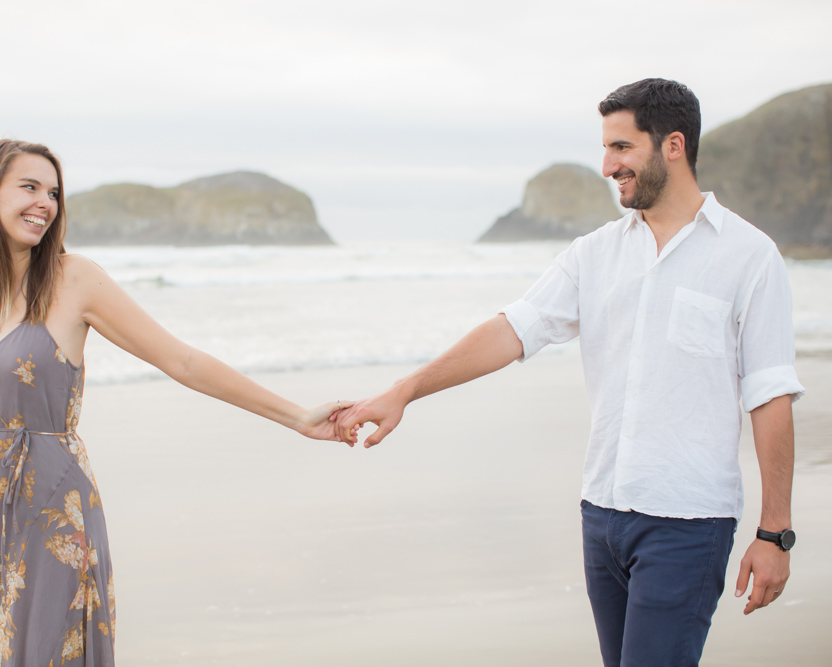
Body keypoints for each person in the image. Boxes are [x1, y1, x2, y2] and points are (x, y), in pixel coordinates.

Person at [334, 78, 805, 666]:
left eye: (622, 148)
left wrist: (774, 533)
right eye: (606, 149)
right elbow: (513, 329)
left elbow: (769, 396)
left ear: (674, 145)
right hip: (601, 517)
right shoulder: (595, 253)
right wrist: (404, 391)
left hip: (686, 524)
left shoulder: (748, 256)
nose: (607, 166)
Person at [0, 139, 349, 666]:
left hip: (52, 523)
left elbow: (182, 361)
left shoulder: (74, 280)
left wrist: (296, 416)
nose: (44, 202)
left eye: (53, 192)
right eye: (29, 187)